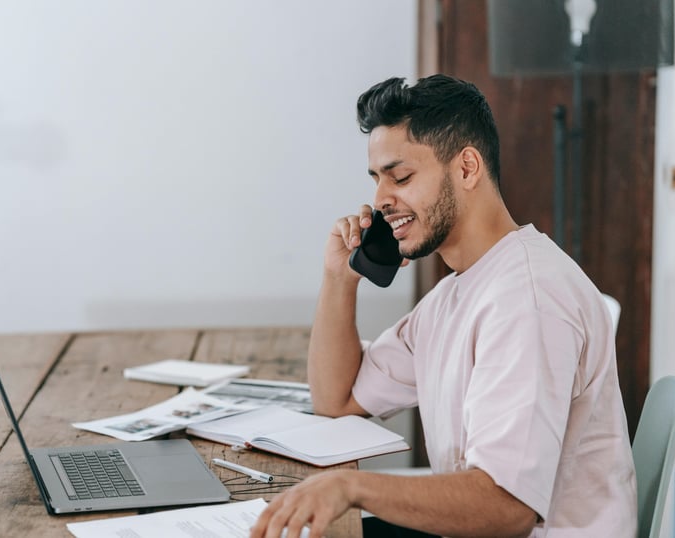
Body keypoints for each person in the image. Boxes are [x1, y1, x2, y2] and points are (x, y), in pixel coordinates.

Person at [249, 74, 637, 538]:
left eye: (401, 177)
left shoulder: (528, 302)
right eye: (377, 180)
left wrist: (351, 487)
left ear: (467, 168)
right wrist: (339, 278)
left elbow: (507, 507)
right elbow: (337, 400)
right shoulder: (455, 294)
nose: (380, 201)